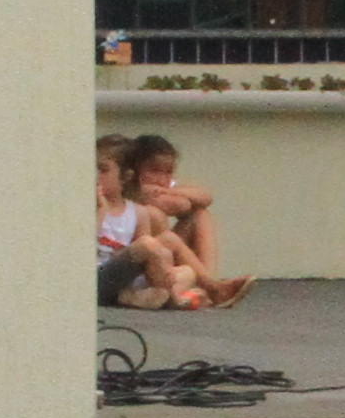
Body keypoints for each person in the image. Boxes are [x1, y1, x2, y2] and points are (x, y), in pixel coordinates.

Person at [126, 133, 252, 306]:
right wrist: (169, 194)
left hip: (165, 256)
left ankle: (209, 283)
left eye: (169, 172)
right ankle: (212, 288)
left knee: (200, 215)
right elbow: (180, 206)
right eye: (154, 171)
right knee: (159, 220)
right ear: (135, 170)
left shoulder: (162, 188)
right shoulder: (133, 191)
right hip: (141, 263)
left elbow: (205, 197)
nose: (162, 179)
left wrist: (169, 191)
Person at [96, 137, 209, 312]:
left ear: (126, 177)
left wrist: (163, 268)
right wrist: (100, 210)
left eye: (102, 170)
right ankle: (174, 298)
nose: (95, 176)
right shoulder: (90, 207)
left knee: (187, 271)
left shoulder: (137, 212)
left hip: (126, 281)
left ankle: (138, 296)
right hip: (96, 279)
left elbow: (146, 258)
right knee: (149, 244)